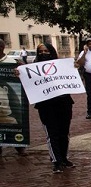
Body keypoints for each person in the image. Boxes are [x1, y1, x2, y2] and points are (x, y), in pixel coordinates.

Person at [30, 43, 75, 173]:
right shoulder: (33, 69)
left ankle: (64, 158)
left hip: (63, 103)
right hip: (46, 106)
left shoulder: (61, 65)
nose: (44, 54)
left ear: (52, 52)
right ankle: (56, 161)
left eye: (46, 51)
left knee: (64, 132)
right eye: (41, 52)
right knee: (52, 133)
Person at [0, 39, 26, 157]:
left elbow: (24, 75)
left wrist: (21, 68)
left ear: (2, 47)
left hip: (8, 94)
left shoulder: (12, 61)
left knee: (15, 117)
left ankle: (19, 145)